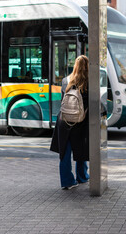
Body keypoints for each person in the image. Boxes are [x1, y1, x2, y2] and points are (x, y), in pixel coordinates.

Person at [50, 55, 90, 190]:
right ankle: (82, 176)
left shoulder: (65, 80)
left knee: (65, 152)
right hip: (80, 121)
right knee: (81, 149)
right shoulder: (89, 82)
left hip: (64, 120)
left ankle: (67, 181)